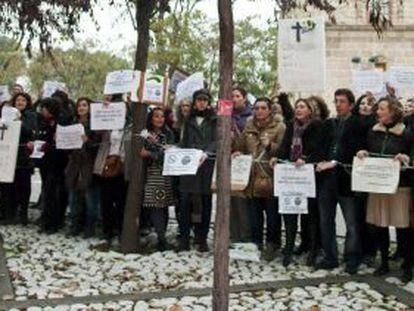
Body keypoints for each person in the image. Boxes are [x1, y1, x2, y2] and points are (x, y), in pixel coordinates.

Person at [356, 97, 413, 283]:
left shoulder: (407, 134)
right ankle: (384, 262)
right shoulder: (372, 131)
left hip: (399, 186)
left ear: (393, 112)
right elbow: (366, 149)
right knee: (380, 225)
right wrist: (362, 152)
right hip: (377, 185)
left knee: (402, 226)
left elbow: (412, 156)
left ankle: (407, 264)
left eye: (381, 109)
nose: (377, 112)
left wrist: (406, 158)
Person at [315, 88, 365, 274]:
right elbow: (320, 146)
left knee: (351, 222)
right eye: (336, 101)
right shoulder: (328, 124)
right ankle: (330, 256)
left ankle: (352, 257)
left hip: (346, 179)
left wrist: (335, 162)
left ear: (351, 104)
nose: (338, 104)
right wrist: (320, 161)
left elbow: (357, 149)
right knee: (325, 220)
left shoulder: (358, 124)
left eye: (342, 101)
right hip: (326, 180)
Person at [271, 98, 323, 266]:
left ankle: (312, 249)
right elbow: (285, 146)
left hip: (308, 175)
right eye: (297, 107)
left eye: (302, 106)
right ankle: (289, 248)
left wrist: (306, 158)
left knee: (310, 215)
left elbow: (318, 149)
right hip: (291, 175)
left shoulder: (317, 126)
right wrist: (276, 157)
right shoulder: (291, 126)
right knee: (289, 210)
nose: (298, 109)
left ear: (310, 110)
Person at [233, 97, 285, 260]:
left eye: (263, 108)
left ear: (270, 110)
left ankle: (272, 244)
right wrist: (237, 152)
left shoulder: (280, 127)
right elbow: (240, 146)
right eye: (256, 108)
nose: (259, 111)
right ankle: (256, 243)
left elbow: (284, 152)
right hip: (252, 177)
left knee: (272, 214)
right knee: (254, 215)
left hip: (270, 177)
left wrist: (270, 145)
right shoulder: (249, 126)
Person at [178, 89, 217, 252]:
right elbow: (184, 141)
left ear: (208, 102)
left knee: (206, 203)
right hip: (189, 165)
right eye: (199, 99)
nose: (202, 102)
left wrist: (206, 153)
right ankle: (185, 239)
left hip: (206, 165)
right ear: (194, 102)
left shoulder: (215, 120)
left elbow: (217, 140)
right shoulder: (188, 120)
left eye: (205, 99)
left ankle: (202, 239)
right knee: (185, 201)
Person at [140, 107, 176, 251]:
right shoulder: (145, 133)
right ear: (151, 118)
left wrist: (151, 152)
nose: (160, 119)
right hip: (151, 173)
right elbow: (140, 152)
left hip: (166, 173)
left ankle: (162, 236)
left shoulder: (169, 133)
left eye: (162, 116)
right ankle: (160, 236)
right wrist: (154, 150)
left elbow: (169, 152)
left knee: (164, 205)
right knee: (155, 205)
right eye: (156, 116)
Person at [65, 97, 101, 237]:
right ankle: (75, 226)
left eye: (84, 105)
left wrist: (88, 141)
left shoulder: (95, 125)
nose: (81, 108)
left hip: (89, 165)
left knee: (90, 199)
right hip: (74, 164)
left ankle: (89, 228)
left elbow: (99, 147)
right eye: (79, 105)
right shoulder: (72, 123)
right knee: (74, 198)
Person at [94, 94, 127, 244]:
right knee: (106, 200)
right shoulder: (105, 124)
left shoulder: (130, 125)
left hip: (123, 166)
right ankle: (107, 231)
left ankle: (121, 230)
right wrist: (103, 109)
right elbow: (95, 134)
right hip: (106, 164)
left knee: (121, 202)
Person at [0, 93, 37, 225]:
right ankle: (8, 214)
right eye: (18, 100)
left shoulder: (31, 116)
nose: (20, 102)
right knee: (7, 187)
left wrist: (19, 120)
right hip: (8, 155)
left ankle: (23, 214)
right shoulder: (5, 115)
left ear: (27, 102)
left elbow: (31, 132)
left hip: (23, 157)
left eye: (23, 100)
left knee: (24, 186)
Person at [37, 97, 67, 233]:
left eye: (45, 108)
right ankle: (46, 221)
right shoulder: (44, 122)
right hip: (45, 161)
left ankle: (53, 223)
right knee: (46, 191)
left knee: (52, 192)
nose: (43, 110)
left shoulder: (61, 121)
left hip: (57, 162)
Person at [230, 86, 253, 243]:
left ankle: (246, 237)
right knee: (231, 201)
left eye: (237, 96)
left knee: (245, 202)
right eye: (232, 96)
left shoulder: (251, 117)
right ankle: (233, 235)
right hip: (230, 160)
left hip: (247, 162)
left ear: (244, 98)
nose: (234, 98)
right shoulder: (226, 116)